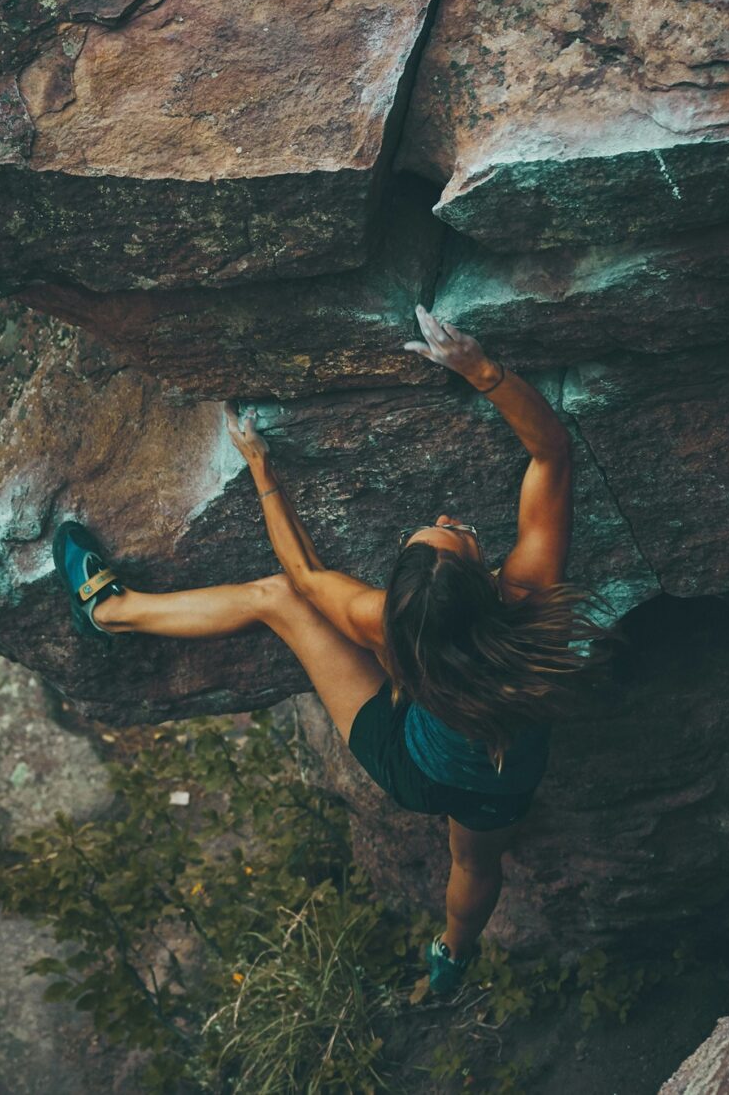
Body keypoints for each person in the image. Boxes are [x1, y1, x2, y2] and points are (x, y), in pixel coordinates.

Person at [53, 305, 605, 994]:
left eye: (440, 532)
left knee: (277, 600)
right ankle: (452, 959)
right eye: (449, 531)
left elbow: (304, 579)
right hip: (497, 778)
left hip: (411, 764)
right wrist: (480, 369)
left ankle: (111, 611)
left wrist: (261, 468)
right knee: (475, 866)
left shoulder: (385, 624)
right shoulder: (529, 602)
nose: (442, 519)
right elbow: (551, 450)